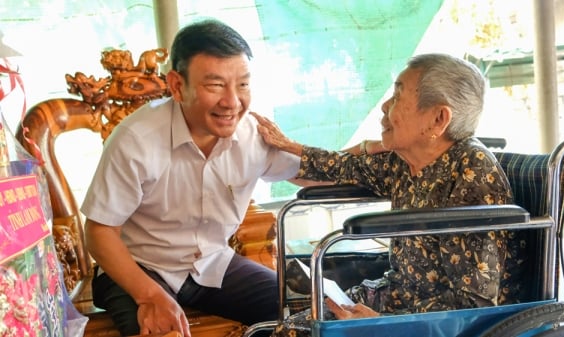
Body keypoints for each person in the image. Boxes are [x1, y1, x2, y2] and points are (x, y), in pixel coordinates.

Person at [250, 53, 514, 337]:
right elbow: (334, 170)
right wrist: (287, 147)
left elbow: (473, 304)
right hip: (397, 295)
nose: (385, 106)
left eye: (398, 96)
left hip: (430, 321)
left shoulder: (472, 174)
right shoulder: (406, 161)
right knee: (295, 329)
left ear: (438, 119)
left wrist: (381, 324)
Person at [81, 19, 302, 337]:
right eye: (215, 85)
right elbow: (100, 232)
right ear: (175, 85)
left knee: (303, 310)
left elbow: (311, 174)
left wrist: (380, 150)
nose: (232, 102)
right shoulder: (136, 139)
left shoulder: (252, 132)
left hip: (212, 263)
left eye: (242, 84)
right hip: (137, 266)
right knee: (160, 331)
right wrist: (150, 295)